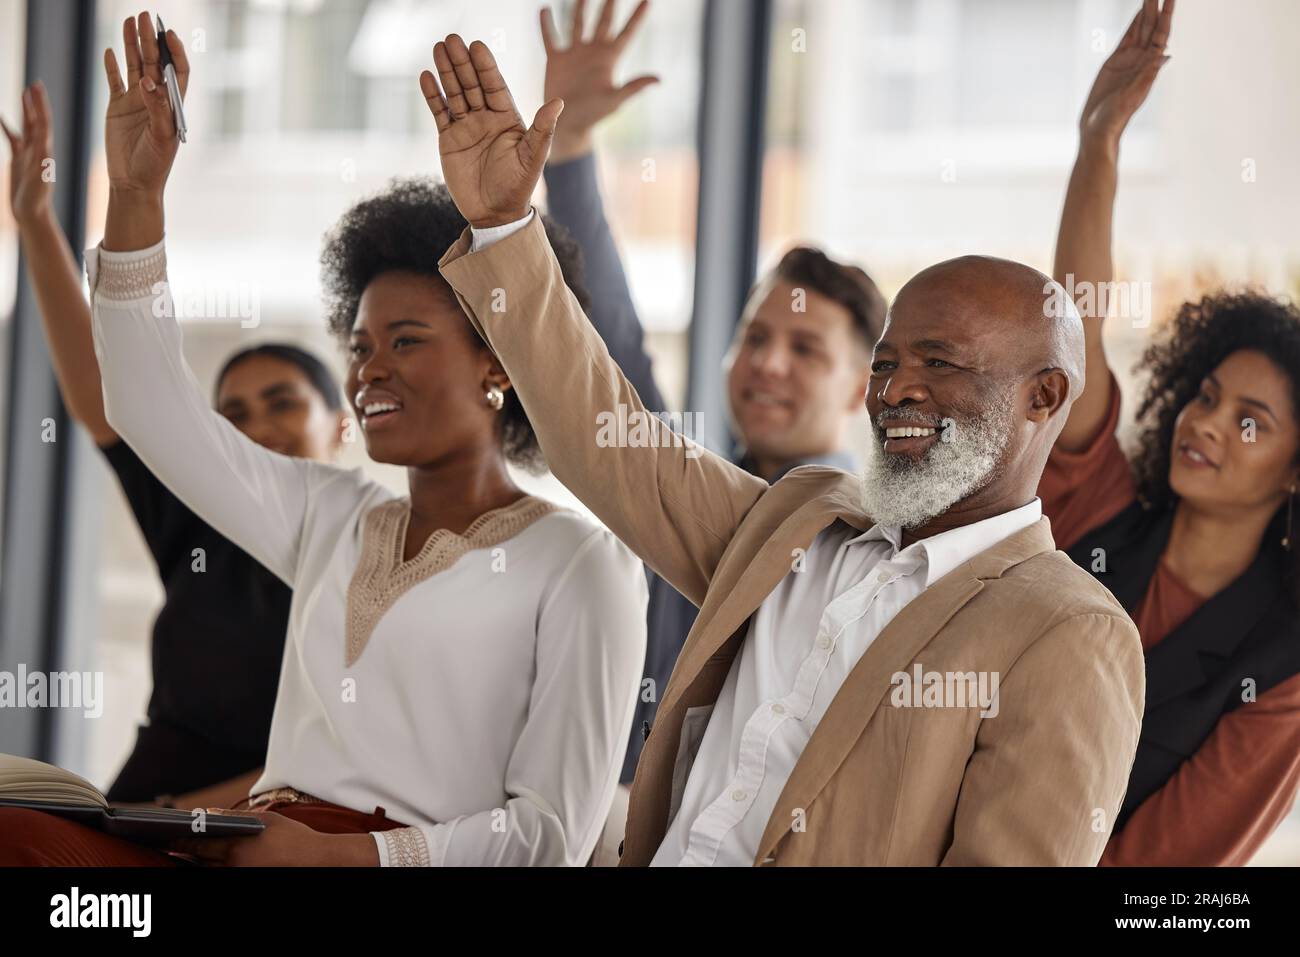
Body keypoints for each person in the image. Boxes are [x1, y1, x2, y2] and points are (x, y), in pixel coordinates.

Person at [419, 33, 1144, 865]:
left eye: (940, 363)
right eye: (886, 364)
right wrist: (504, 227)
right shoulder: (804, 518)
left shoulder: (1069, 629)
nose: (898, 390)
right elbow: (605, 436)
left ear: (1043, 395)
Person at [0, 13, 646, 867]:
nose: (370, 369)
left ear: (498, 361)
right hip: (246, 844)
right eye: (360, 345)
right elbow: (148, 407)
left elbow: (550, 836)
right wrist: (136, 198)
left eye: (406, 340)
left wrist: (350, 857)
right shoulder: (331, 512)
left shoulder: (582, 563)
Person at [537, 0, 888, 825]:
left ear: (861, 390)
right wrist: (571, 146)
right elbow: (612, 341)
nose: (768, 362)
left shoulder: (869, 546)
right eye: (754, 337)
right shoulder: (681, 477)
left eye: (806, 350)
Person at [3, 78, 346, 810]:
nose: (257, 426)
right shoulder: (201, 525)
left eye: (282, 402)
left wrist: (194, 817)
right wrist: (33, 221)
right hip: (135, 817)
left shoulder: (367, 553)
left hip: (247, 831)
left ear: (341, 424)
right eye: (233, 414)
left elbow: (350, 752)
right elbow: (101, 394)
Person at [1045, 0, 1300, 865]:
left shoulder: (1282, 664)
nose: (1207, 422)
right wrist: (1099, 141)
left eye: (1250, 422)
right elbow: (1074, 332)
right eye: (1209, 395)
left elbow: (1158, 874)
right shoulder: (1103, 510)